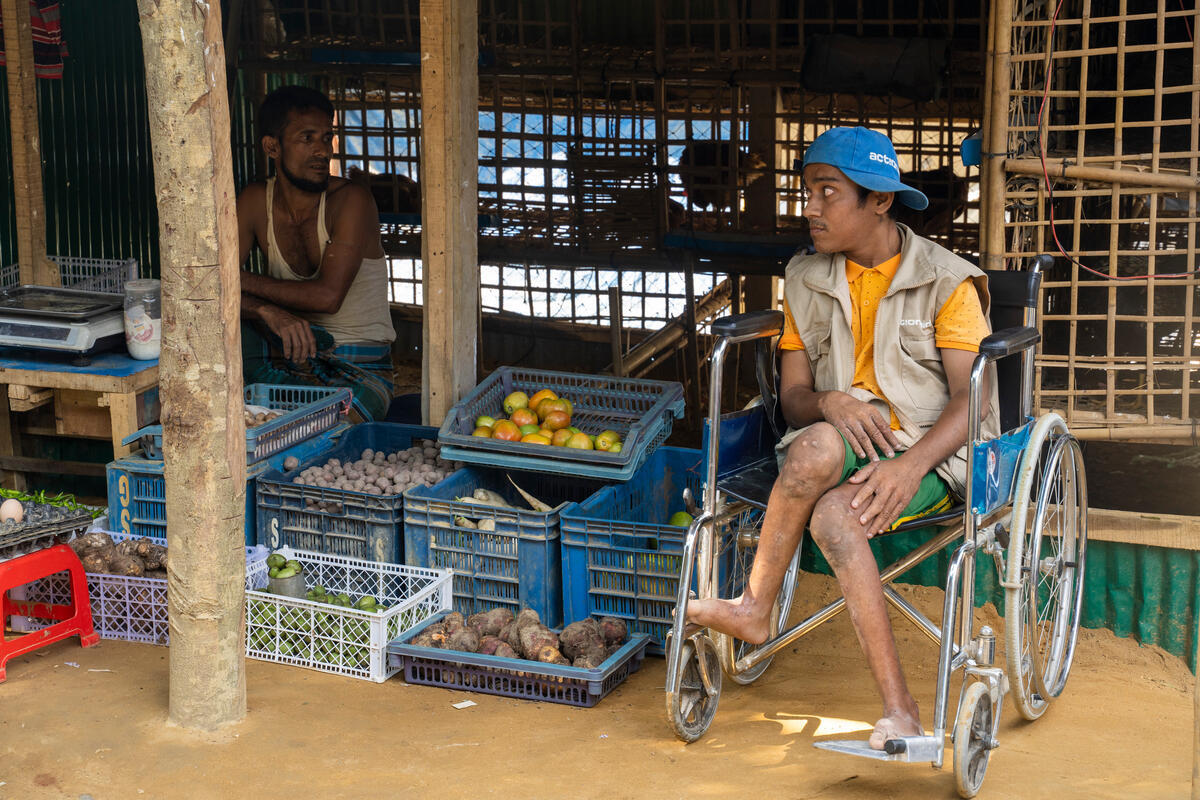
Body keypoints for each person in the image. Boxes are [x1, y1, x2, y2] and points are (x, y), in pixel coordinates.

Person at [686, 126, 1000, 750]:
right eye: (808, 191)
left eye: (828, 192)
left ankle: (901, 710)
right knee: (813, 446)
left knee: (834, 518)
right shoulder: (805, 278)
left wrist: (910, 466)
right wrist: (828, 401)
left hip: (929, 452)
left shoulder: (947, 282)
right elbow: (795, 398)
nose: (810, 208)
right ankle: (754, 608)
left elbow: (974, 399)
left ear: (879, 201)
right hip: (838, 436)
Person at [236, 85, 397, 421]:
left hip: (356, 367)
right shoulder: (255, 200)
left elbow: (327, 297)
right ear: (272, 147)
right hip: (289, 355)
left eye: (327, 137)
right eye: (307, 138)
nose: (323, 150)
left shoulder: (351, 201)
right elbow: (211, 288)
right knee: (227, 339)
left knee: (322, 429)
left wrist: (240, 281)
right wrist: (265, 310)